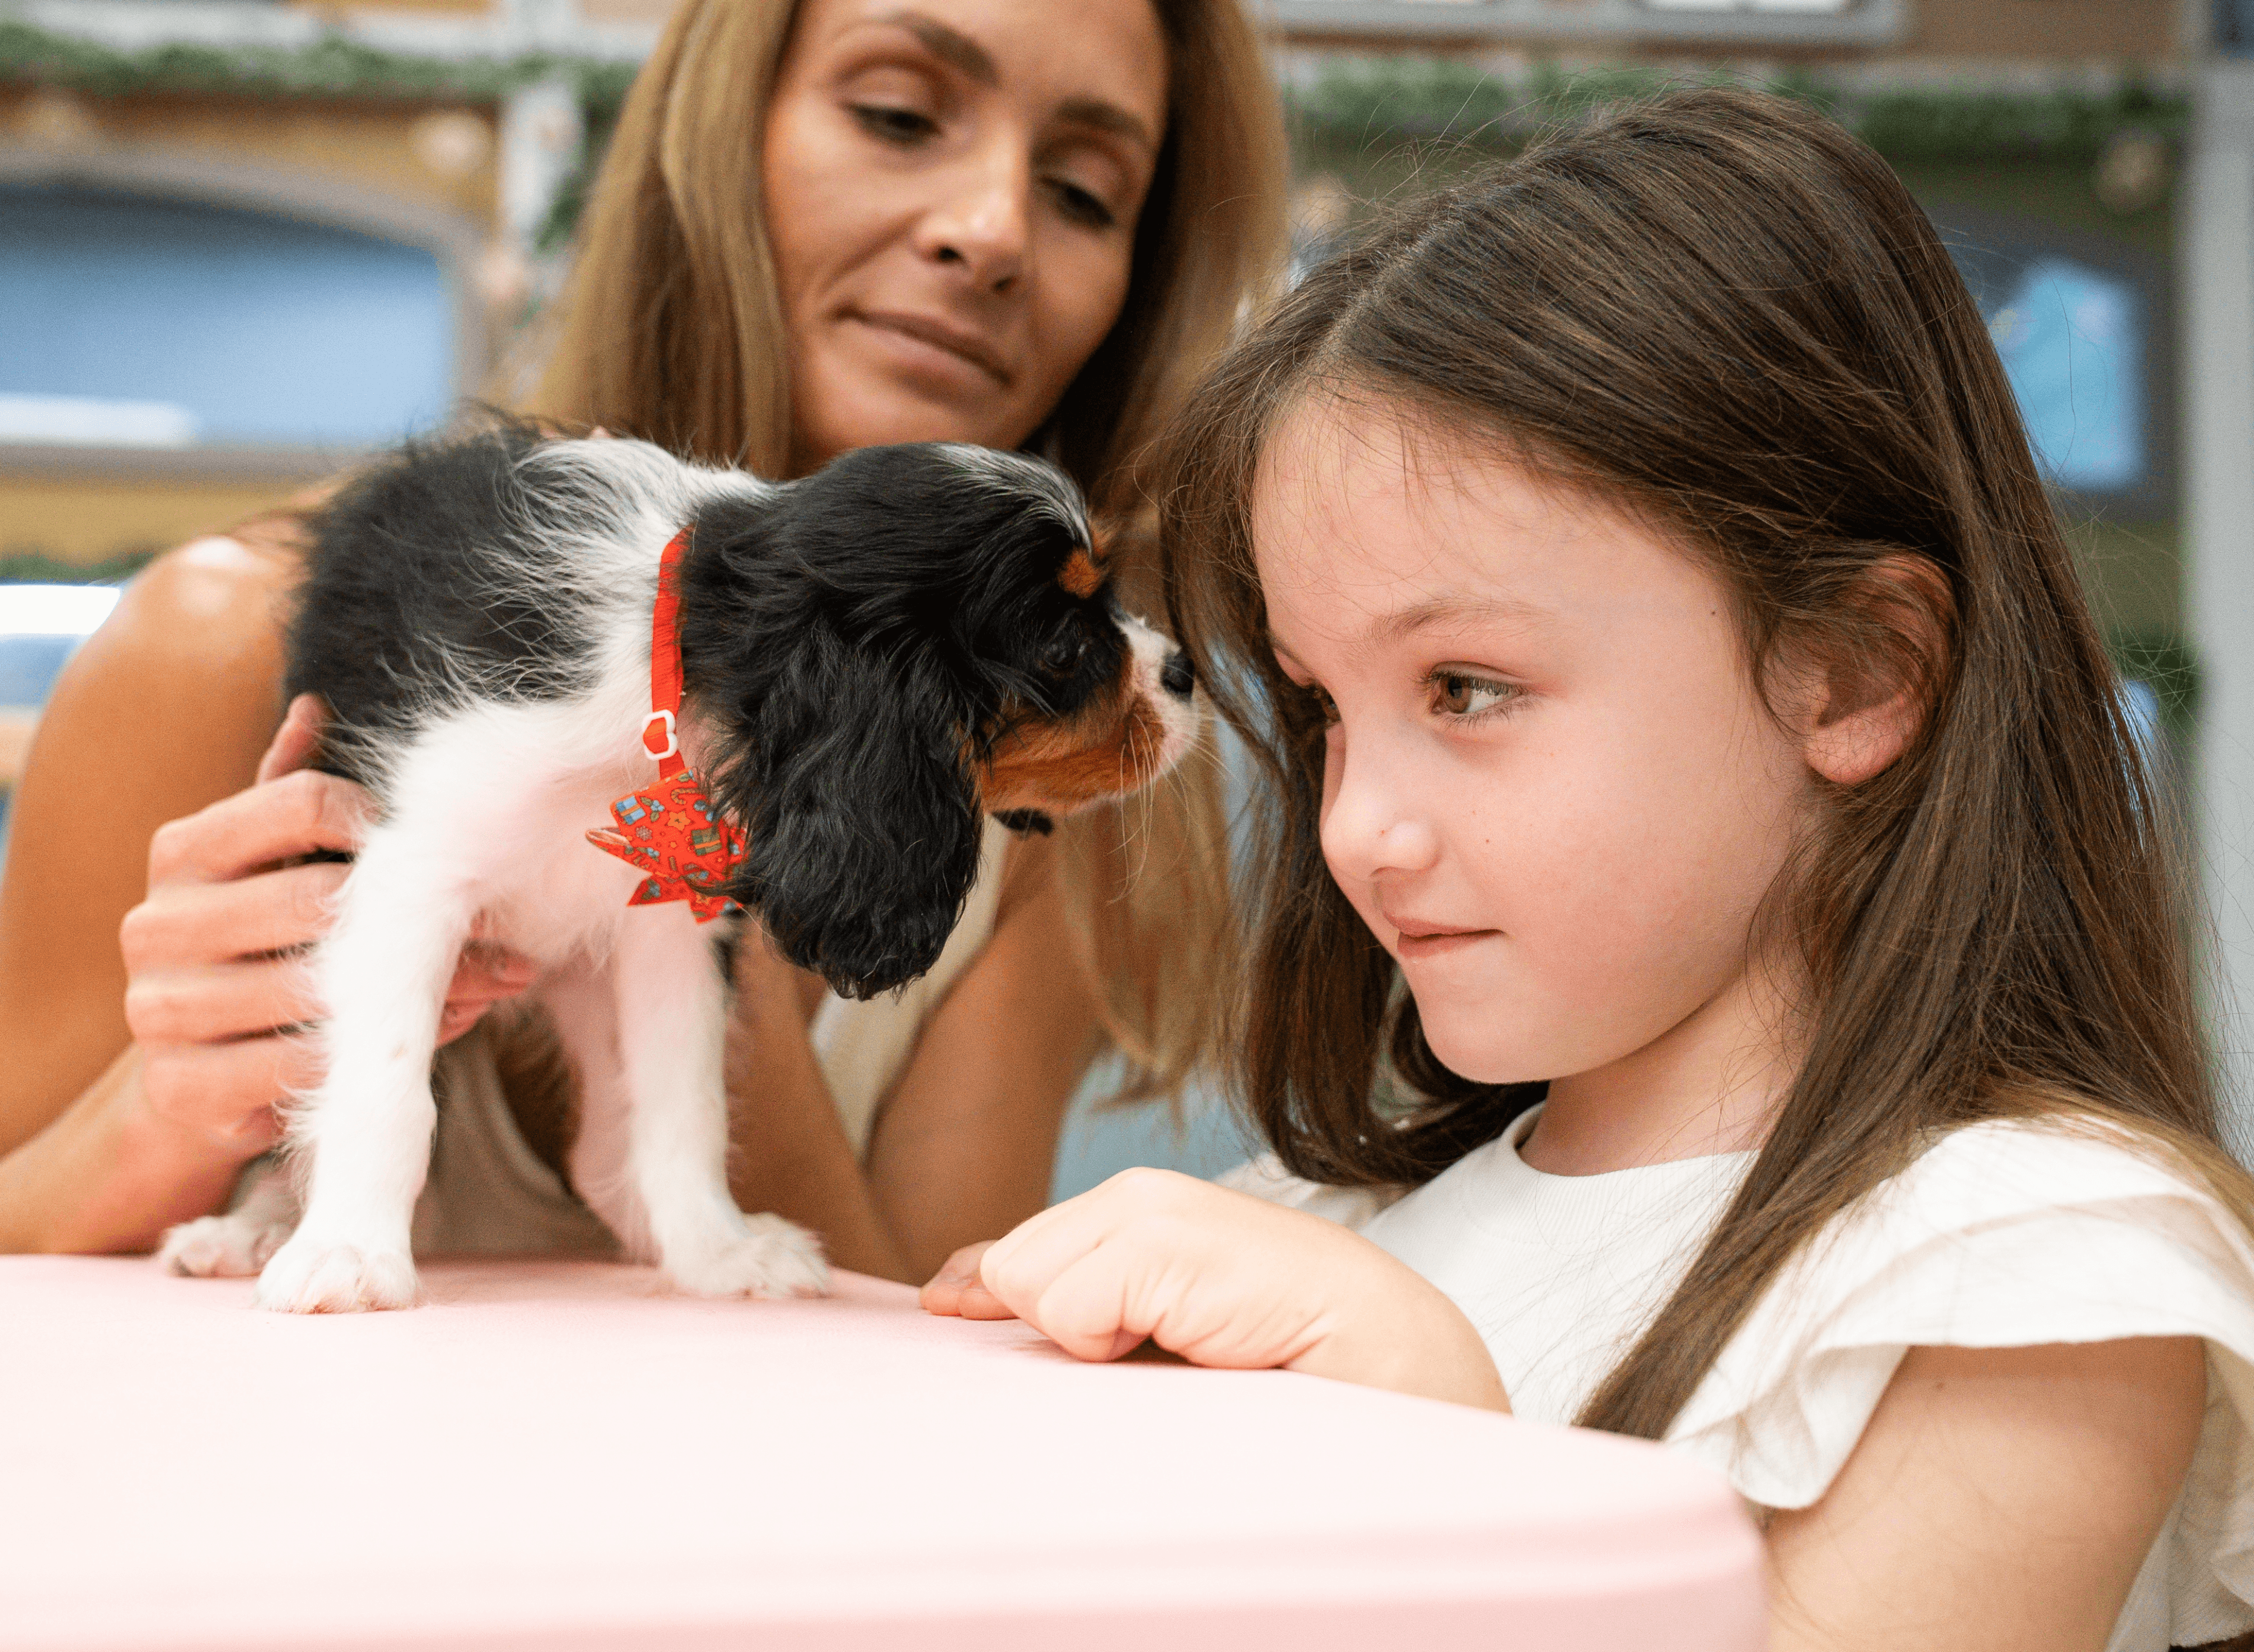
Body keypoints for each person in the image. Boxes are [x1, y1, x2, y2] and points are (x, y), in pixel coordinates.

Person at [922, 91, 2254, 1651]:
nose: (1355, 829)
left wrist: (1427, 1411)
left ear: (1848, 671)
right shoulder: (1324, 1209)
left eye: (1467, 691)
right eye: (1322, 710)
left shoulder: (2040, 1263)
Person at [0, 0, 1286, 1281]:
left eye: (1083, 191)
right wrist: (160, 1115)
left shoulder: (1042, 775)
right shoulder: (229, 634)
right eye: (897, 115)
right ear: (714, 134)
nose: (992, 228)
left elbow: (923, 1340)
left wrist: (739, 836)